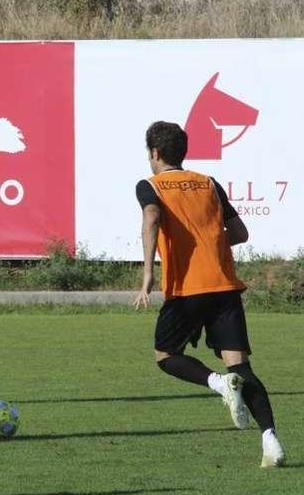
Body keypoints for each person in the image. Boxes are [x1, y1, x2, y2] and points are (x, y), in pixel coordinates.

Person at [133, 121, 285, 468]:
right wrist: (206, 246)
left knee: (165, 355)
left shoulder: (150, 186)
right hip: (224, 288)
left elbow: (152, 215)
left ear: (154, 153)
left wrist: (147, 274)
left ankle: (217, 383)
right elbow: (240, 232)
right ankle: (271, 440)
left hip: (188, 288)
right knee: (242, 367)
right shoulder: (208, 183)